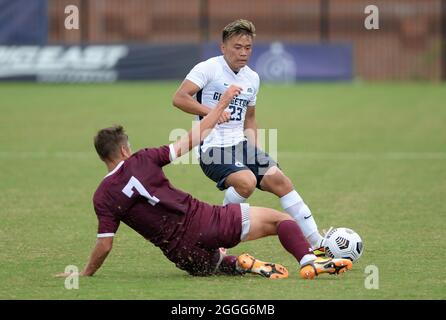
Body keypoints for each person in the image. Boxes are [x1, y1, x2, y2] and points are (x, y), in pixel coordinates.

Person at [56, 86, 352, 280]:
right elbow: (192, 139)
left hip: (182, 256)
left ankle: (239, 263)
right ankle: (309, 260)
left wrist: (85, 273)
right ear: (124, 150)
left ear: (102, 157)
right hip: (205, 221)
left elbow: (104, 245)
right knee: (281, 221)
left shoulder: (102, 196)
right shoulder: (143, 159)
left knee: (210, 265)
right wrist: (222, 104)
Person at [172, 19, 326, 254]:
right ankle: (221, 234)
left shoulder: (252, 78)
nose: (243, 53)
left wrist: (256, 152)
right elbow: (179, 98)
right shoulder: (207, 69)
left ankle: (318, 243)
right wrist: (211, 113)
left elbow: (250, 118)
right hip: (211, 148)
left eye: (248, 47)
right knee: (247, 182)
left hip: (241, 145)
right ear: (223, 47)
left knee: (280, 180)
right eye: (237, 47)